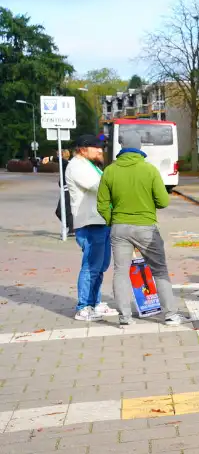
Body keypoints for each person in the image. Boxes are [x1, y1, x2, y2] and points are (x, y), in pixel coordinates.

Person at [97, 131, 187, 326]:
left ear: (121, 147)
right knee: (159, 270)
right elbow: (163, 201)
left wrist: (112, 221)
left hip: (119, 228)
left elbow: (102, 204)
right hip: (146, 227)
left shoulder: (110, 171)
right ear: (139, 147)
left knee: (120, 272)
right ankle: (170, 315)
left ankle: (125, 317)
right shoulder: (149, 170)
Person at [66, 135, 118, 321]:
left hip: (101, 221)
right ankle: (84, 306)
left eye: (101, 148)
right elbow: (99, 187)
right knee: (90, 266)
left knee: (100, 265)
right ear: (82, 149)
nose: (100, 151)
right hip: (89, 222)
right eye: (96, 148)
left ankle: (95, 303)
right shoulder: (77, 166)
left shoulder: (90, 165)